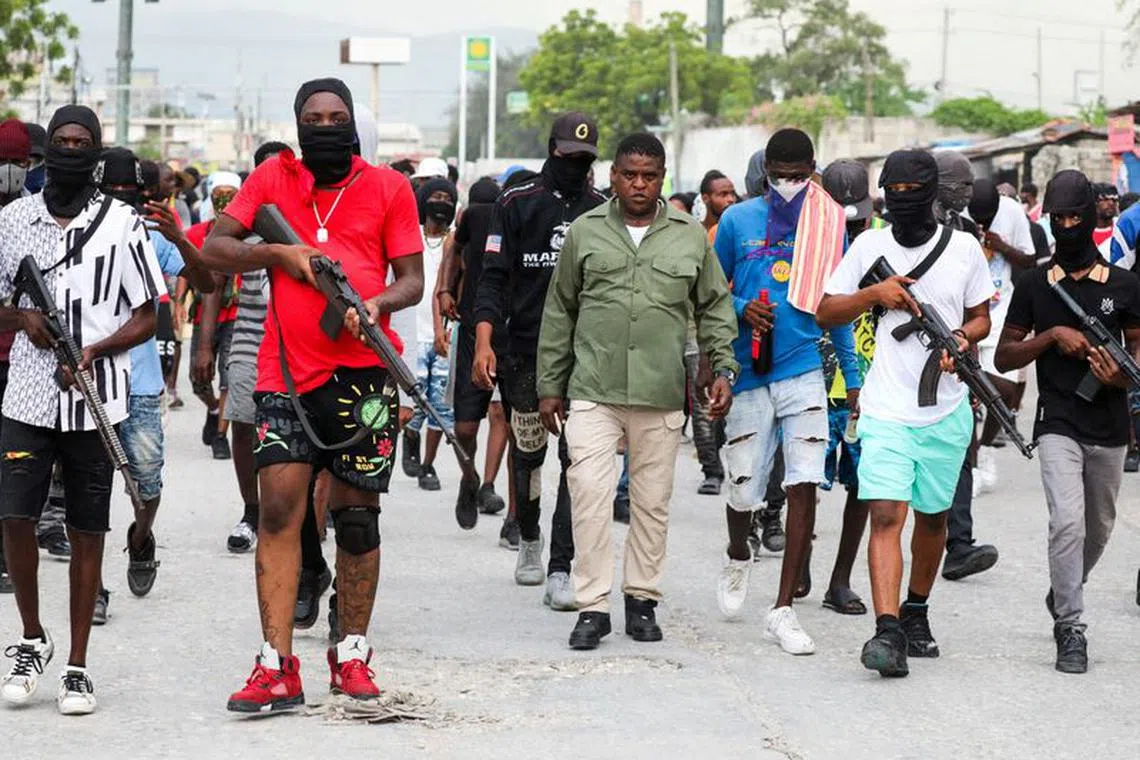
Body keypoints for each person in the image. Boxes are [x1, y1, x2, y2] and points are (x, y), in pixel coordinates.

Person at [201, 78, 423, 711]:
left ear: (353, 123)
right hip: (284, 374)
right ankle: (276, 664)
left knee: (356, 520)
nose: (326, 126)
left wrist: (375, 304)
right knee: (276, 511)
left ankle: (350, 652)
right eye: (314, 117)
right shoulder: (272, 177)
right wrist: (277, 251)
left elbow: (410, 278)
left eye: (337, 116)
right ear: (298, 125)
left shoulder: (388, 188)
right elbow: (215, 246)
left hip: (365, 378)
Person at [538, 132, 738, 649]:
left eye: (650, 176)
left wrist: (722, 366)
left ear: (663, 178)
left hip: (660, 390)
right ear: (612, 176)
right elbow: (560, 309)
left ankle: (642, 600)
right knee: (589, 494)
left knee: (651, 501)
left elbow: (715, 305)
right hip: (593, 387)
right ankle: (593, 606)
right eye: (630, 174)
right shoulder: (585, 233)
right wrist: (549, 385)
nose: (639, 184)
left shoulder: (689, 235)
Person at [0, 105, 164, 713]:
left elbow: (149, 314)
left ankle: (76, 664)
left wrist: (96, 347)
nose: (70, 149)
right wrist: (24, 319)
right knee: (14, 516)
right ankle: (30, 637)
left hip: (99, 399)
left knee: (87, 528)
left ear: (96, 150)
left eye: (82, 141)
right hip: (28, 393)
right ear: (49, 151)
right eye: (61, 140)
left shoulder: (123, 224)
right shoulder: (14, 221)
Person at [817, 149, 994, 678]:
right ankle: (887, 629)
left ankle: (916, 609)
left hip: (944, 410)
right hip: (887, 409)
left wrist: (961, 337)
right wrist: (876, 293)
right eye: (892, 195)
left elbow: (982, 317)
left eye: (911, 194)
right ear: (883, 196)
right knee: (887, 514)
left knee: (933, 519)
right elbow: (826, 310)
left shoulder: (964, 249)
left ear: (932, 195)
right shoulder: (869, 245)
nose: (902, 204)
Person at [713, 128, 860, 655]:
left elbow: (836, 304)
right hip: (750, 371)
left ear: (813, 170)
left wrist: (853, 374)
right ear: (764, 171)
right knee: (744, 489)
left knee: (804, 482)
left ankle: (783, 609)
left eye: (801, 176)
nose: (791, 185)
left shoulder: (827, 223)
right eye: (781, 175)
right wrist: (738, 311)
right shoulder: (736, 221)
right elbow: (709, 295)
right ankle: (737, 554)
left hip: (803, 368)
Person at [994, 169, 1140, 674]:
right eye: (1058, 219)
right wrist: (1052, 335)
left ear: (1091, 218)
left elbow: (1139, 356)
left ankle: (1063, 590)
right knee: (1067, 523)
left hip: (1111, 425)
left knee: (1098, 528)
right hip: (1057, 420)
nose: (1067, 226)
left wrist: (1119, 374)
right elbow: (1005, 356)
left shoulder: (1124, 285)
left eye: (1075, 217)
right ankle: (1071, 627)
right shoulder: (1035, 284)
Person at [472, 112, 607, 608]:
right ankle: (529, 535)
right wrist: (484, 342)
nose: (576, 167)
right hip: (523, 352)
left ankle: (561, 566)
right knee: (529, 454)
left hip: (584, 357)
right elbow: (491, 280)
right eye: (568, 157)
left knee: (579, 459)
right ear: (552, 151)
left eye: (585, 160)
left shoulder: (601, 210)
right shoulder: (516, 202)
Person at [93, 147, 215, 620]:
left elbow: (205, 282)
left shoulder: (148, 235)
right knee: (93, 486)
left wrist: (180, 239)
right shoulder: (77, 234)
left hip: (141, 382)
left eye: (129, 194)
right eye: (110, 193)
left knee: (146, 483)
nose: (119, 203)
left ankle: (141, 537)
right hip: (93, 379)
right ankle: (96, 586)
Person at [930, 155, 1001, 582]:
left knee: (961, 449)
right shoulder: (909, 228)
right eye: (962, 184)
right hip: (908, 357)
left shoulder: (967, 232)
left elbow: (977, 307)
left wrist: (969, 358)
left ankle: (959, 545)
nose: (969, 192)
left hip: (957, 351)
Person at [811, 158, 877, 615]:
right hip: (814, 381)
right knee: (805, 480)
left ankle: (840, 580)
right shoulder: (809, 244)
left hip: (869, 390)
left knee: (864, 488)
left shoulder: (884, 243)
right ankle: (797, 567)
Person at [437, 176, 513, 543]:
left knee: (514, 424)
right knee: (466, 428)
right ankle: (469, 477)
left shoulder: (525, 220)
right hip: (471, 328)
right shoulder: (474, 218)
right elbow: (452, 249)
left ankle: (516, 517)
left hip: (514, 332)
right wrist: (445, 290)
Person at [224, 141, 289, 554]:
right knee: (244, 426)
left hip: (295, 347)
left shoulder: (303, 224)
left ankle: (292, 515)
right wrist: (203, 348)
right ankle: (251, 511)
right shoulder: (240, 230)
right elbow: (215, 279)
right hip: (248, 342)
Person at [968, 179, 1036, 499]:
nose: (981, 223)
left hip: (1000, 313)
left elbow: (1030, 260)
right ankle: (969, 467)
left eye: (987, 217)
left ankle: (985, 449)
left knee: (1005, 391)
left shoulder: (1012, 211)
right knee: (965, 393)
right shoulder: (959, 214)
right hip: (965, 315)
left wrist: (1003, 247)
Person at [400, 177, 458, 493]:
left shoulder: (454, 244)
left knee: (441, 406)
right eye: (435, 197)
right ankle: (410, 437)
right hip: (413, 331)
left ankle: (428, 464)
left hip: (445, 335)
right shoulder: (410, 238)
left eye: (447, 199)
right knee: (416, 400)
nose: (441, 204)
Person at [185, 172, 244, 460]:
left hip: (236, 314)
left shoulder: (250, 237)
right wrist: (177, 304)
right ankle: (213, 408)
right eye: (219, 195)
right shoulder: (197, 235)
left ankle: (221, 435)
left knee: (229, 378)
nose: (225, 201)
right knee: (199, 379)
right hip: (203, 315)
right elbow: (186, 270)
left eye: (231, 194)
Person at [0, 119, 32, 594]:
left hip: (23, 359)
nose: (9, 170)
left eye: (19, 163)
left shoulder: (32, 215)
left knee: (12, 461)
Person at [699, 170, 737, 240]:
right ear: (705, 198)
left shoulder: (739, 230)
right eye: (723, 194)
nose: (731, 199)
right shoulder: (695, 231)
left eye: (733, 194)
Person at [1092, 183, 1119, 255]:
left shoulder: (1122, 228)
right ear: (1094, 202)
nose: (1111, 203)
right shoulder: (1083, 231)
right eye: (1105, 199)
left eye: (1114, 199)